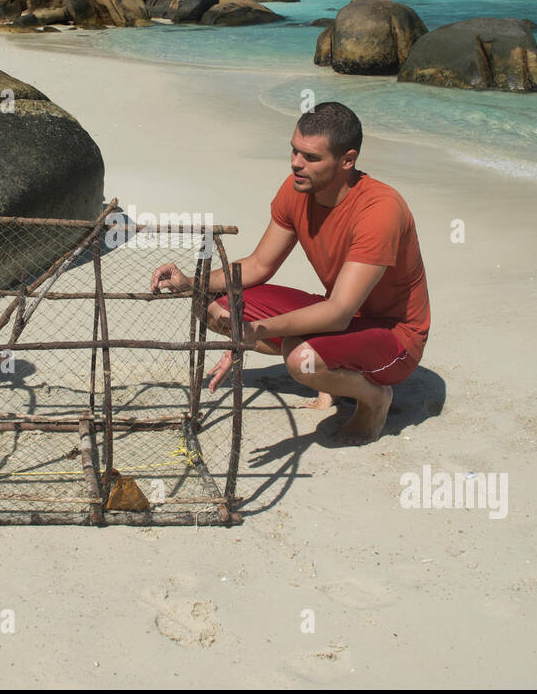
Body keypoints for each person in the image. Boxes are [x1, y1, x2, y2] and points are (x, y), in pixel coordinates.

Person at [149, 102, 430, 444]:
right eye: (295, 151)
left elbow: (340, 313)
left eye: (311, 157)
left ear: (347, 160)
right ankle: (332, 378)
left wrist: (255, 331)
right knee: (212, 306)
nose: (296, 163)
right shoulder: (297, 188)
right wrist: (190, 283)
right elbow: (258, 265)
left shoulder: (380, 210)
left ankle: (374, 400)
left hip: (394, 336)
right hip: (342, 315)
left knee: (301, 359)